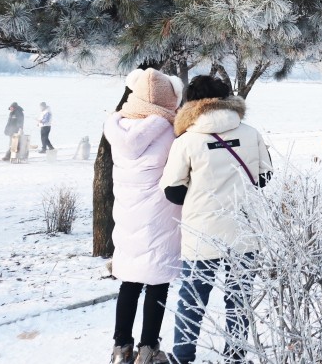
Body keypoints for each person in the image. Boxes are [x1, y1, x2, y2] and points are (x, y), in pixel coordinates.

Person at [160, 75, 273, 364]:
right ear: (227, 98)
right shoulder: (250, 133)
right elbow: (264, 178)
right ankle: (235, 355)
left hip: (203, 232)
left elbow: (173, 191)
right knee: (239, 300)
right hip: (245, 230)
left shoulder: (187, 141)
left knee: (192, 299)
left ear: (191, 103)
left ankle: (183, 356)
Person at [104, 69, 184, 364]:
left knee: (129, 281)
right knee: (158, 281)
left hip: (127, 215)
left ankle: (120, 348)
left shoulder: (118, 128)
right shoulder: (170, 131)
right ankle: (148, 349)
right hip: (159, 215)